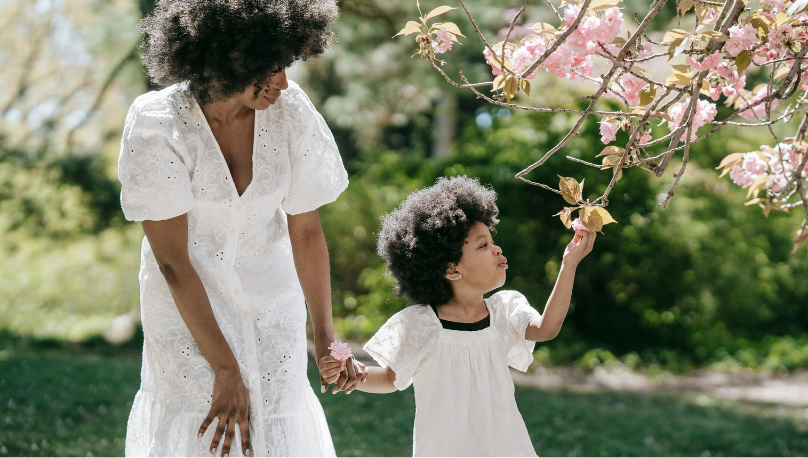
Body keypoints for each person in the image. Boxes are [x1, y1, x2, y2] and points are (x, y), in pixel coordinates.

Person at [118, 1, 364, 455]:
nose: (284, 82)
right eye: (271, 67)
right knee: (208, 431)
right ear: (230, 56)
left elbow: (306, 230)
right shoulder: (158, 123)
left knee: (276, 428)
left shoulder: (290, 113)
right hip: (190, 314)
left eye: (286, 65)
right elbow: (172, 261)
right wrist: (226, 369)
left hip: (275, 312)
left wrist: (325, 335)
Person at [318, 176, 596, 456]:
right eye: (482, 245)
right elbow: (391, 378)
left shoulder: (505, 311)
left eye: (492, 241)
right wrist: (355, 375)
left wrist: (569, 264)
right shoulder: (419, 324)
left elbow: (547, 328)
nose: (497, 248)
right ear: (452, 271)